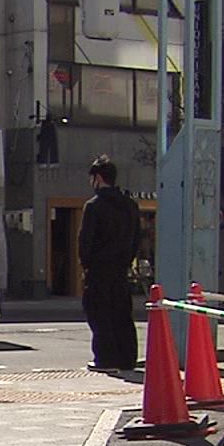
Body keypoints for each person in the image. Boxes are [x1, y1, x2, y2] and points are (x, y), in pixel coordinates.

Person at [78, 155, 141, 372]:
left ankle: (105, 359)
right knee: (122, 314)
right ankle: (127, 357)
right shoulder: (131, 205)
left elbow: (85, 243)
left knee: (99, 314)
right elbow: (136, 240)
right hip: (121, 270)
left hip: (99, 271)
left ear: (97, 178)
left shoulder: (93, 206)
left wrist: (86, 265)